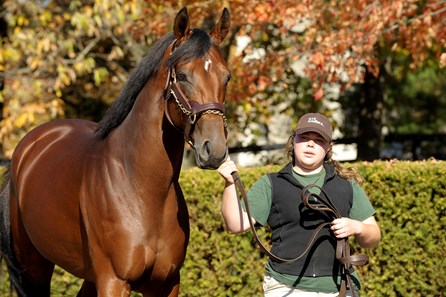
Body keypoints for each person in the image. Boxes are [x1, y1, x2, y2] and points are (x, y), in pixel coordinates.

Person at [218, 113, 381, 297]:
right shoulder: (271, 183)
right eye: (304, 138)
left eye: (319, 140)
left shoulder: (346, 185)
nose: (310, 144)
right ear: (293, 141)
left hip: (339, 287)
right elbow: (235, 225)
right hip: (285, 287)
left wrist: (358, 227)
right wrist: (230, 184)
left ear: (329, 147)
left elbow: (373, 236)